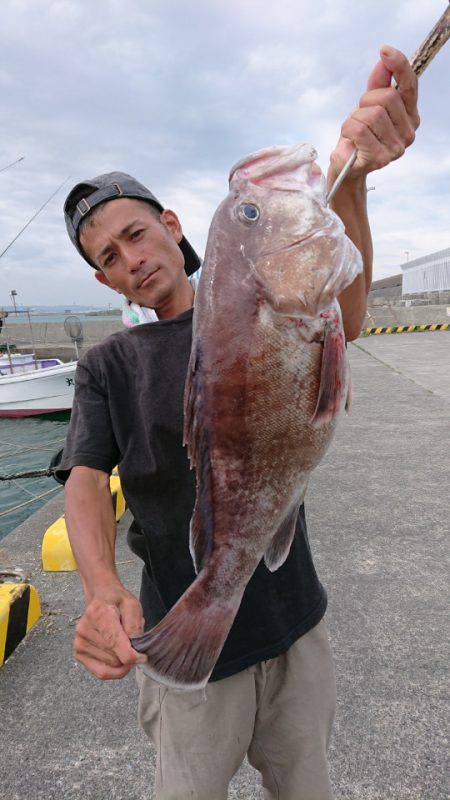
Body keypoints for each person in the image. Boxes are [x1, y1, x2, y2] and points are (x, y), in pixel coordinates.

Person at [56, 47, 419, 800]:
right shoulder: (108, 365)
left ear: (171, 224)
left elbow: (341, 317)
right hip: (186, 642)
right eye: (109, 256)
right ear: (101, 278)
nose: (132, 258)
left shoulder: (265, 303)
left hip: (294, 625)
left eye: (136, 232)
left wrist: (352, 181)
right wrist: (99, 589)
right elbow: (87, 481)